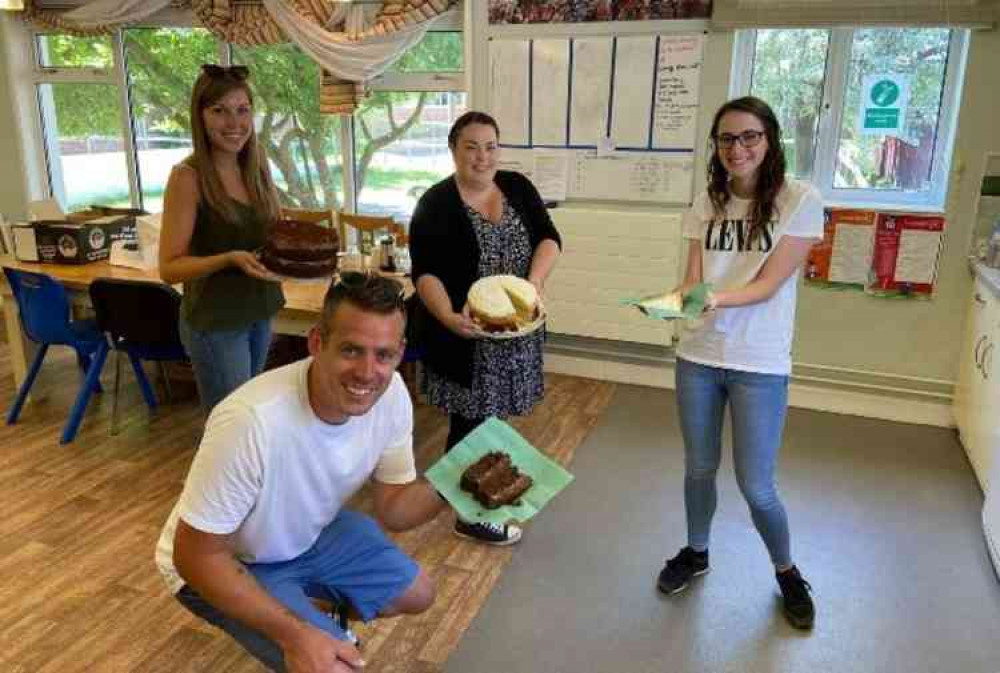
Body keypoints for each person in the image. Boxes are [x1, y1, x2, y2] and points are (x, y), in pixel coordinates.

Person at [154, 273, 449, 672]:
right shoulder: (249, 420)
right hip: (223, 558)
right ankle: (300, 620)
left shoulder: (392, 393)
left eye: (383, 355)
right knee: (333, 668)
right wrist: (296, 635)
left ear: (399, 353)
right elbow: (194, 555)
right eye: (350, 350)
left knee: (418, 594)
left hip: (307, 532)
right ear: (316, 343)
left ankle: (304, 607)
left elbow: (395, 509)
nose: (367, 372)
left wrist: (456, 487)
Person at [656, 96, 822, 630]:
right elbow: (692, 279)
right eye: (727, 139)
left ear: (769, 140)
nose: (737, 148)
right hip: (698, 355)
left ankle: (787, 571)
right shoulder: (706, 202)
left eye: (749, 136)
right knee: (699, 468)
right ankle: (697, 552)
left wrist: (712, 299)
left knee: (757, 485)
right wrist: (673, 301)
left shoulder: (799, 200)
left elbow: (769, 284)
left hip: (759, 361)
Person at [408, 111, 561, 546]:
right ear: (454, 150)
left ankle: (486, 490)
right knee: (469, 426)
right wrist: (448, 318)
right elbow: (426, 274)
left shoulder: (517, 187)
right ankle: (469, 515)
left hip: (515, 335)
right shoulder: (436, 204)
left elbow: (549, 237)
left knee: (495, 424)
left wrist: (533, 284)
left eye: (490, 146)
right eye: (471, 147)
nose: (482, 156)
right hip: (465, 339)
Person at [159, 63, 284, 415]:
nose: (234, 123)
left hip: (261, 308)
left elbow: (268, 232)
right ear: (200, 116)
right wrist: (228, 258)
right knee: (230, 425)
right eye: (220, 111)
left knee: (250, 419)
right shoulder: (188, 177)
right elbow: (169, 269)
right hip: (216, 321)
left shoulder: (256, 163)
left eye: (242, 110)